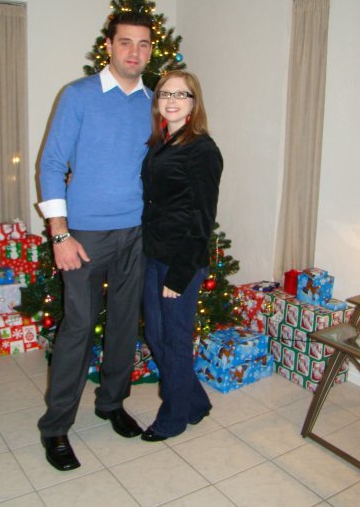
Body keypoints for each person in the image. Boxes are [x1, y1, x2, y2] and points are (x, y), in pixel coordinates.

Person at [37, 11, 153, 471]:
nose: (134, 52)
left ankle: (111, 403)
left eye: (143, 44)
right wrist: (60, 233)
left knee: (125, 323)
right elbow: (51, 164)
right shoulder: (78, 95)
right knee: (79, 329)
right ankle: (56, 427)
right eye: (126, 42)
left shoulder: (153, 102)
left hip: (136, 232)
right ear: (108, 45)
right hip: (83, 234)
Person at [140, 70, 223, 441]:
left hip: (180, 261)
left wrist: (179, 274)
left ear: (194, 102)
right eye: (165, 93)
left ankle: (173, 418)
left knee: (174, 339)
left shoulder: (203, 150)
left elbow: (203, 219)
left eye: (181, 94)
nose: (171, 100)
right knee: (155, 335)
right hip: (152, 254)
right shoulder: (161, 142)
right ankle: (196, 402)